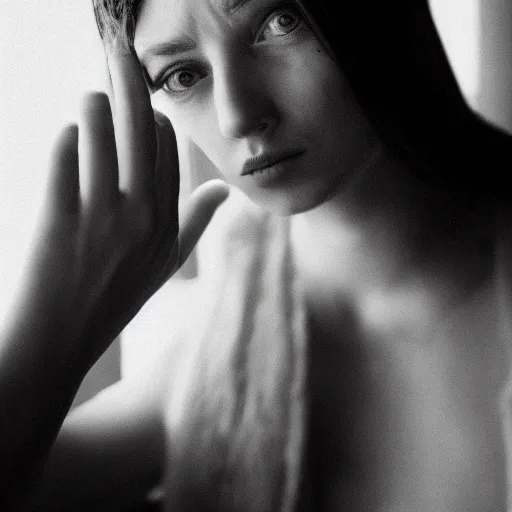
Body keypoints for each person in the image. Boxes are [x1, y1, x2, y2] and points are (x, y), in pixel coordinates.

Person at [2, 0, 512, 510]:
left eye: (278, 22)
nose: (237, 116)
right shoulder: (225, 343)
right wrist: (54, 328)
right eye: (181, 75)